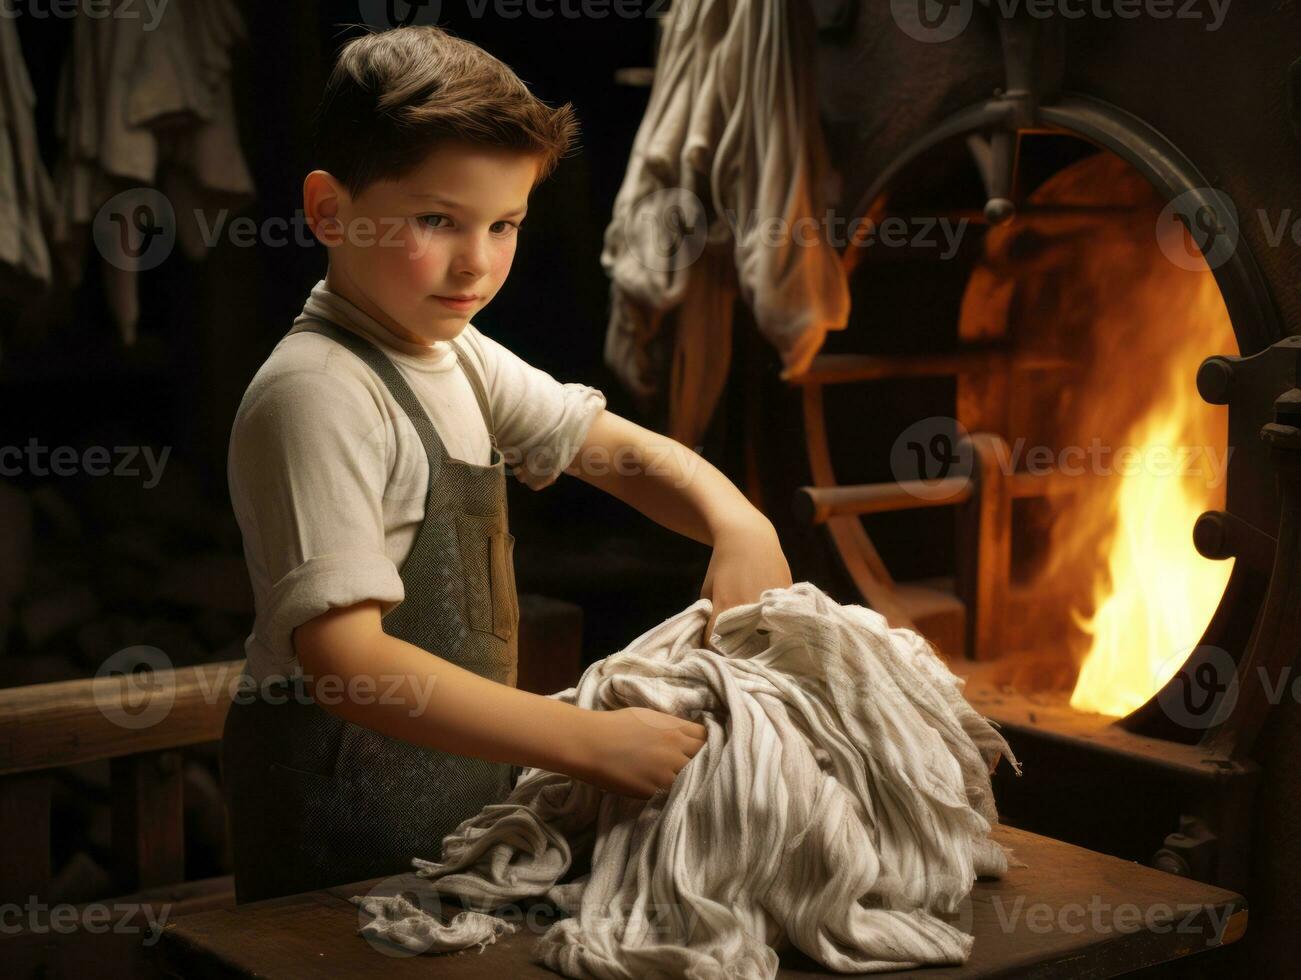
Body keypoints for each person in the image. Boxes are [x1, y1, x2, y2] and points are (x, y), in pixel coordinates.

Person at [222, 24, 792, 904]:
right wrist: (584, 740)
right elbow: (347, 661)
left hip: (451, 820)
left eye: (504, 225)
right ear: (330, 209)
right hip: (334, 852)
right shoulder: (316, 394)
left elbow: (616, 454)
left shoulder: (457, 354)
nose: (477, 264)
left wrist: (735, 520)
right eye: (435, 221)